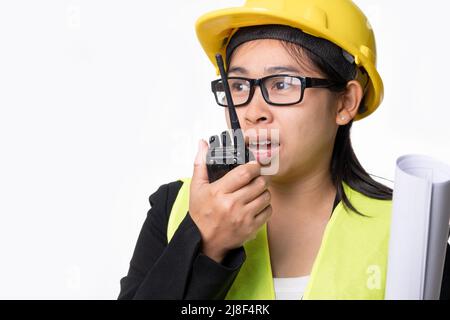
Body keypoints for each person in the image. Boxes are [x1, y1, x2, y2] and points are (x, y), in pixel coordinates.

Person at [118, 0, 450, 300]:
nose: (252, 111)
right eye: (239, 85)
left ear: (345, 102)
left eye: (282, 84)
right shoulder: (173, 208)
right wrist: (205, 244)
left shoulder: (411, 230)